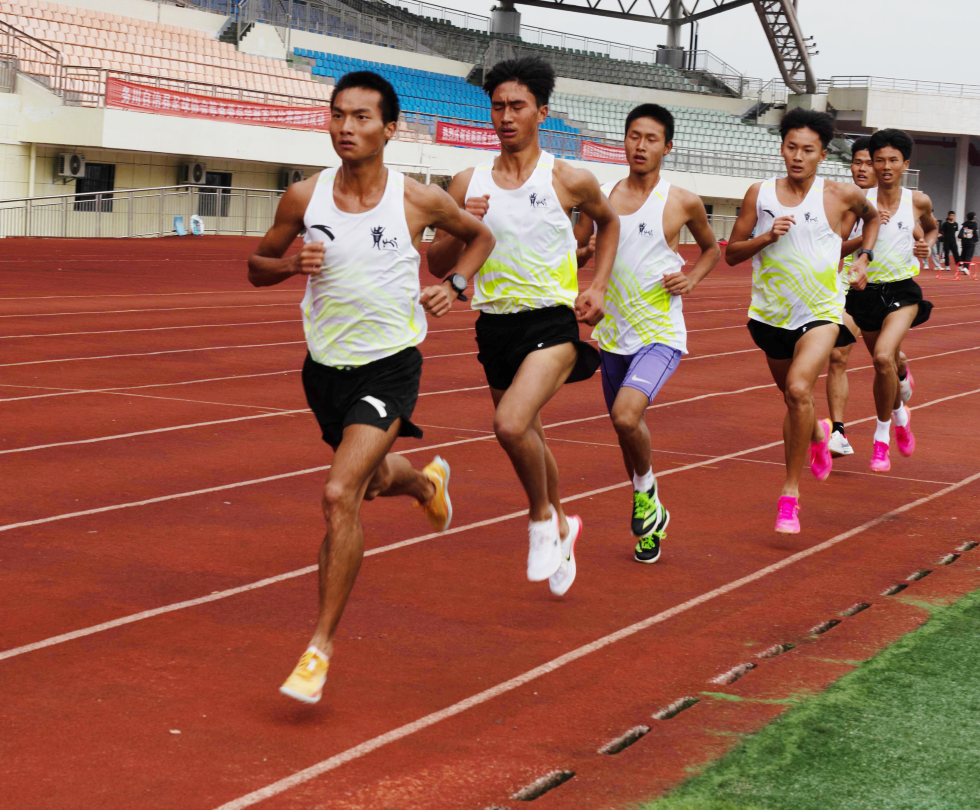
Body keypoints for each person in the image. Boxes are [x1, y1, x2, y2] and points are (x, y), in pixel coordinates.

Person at [250, 70, 496, 705]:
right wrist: (287, 265)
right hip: (323, 369)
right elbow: (255, 266)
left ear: (390, 129)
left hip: (390, 365)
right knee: (374, 479)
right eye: (338, 115)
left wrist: (458, 284)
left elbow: (480, 236)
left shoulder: (418, 199)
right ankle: (423, 482)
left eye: (360, 117)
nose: (345, 127)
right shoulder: (304, 196)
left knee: (339, 495)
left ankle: (319, 648)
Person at [429, 55, 619, 596]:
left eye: (517, 106)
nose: (506, 116)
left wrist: (598, 285)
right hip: (494, 326)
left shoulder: (568, 177)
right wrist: (468, 220)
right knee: (529, 435)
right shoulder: (468, 180)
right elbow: (439, 264)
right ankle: (563, 524)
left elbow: (609, 225)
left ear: (542, 111)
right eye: (497, 106)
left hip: (552, 321)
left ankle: (539, 520)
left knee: (511, 425)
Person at [574, 103, 721, 564]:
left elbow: (712, 249)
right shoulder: (602, 196)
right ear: (624, 140)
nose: (640, 146)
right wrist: (587, 248)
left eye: (651, 138)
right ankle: (649, 511)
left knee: (624, 415)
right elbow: (572, 256)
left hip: (659, 333)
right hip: (613, 334)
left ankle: (646, 492)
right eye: (634, 136)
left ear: (667, 146)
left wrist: (691, 279)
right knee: (627, 430)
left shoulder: (680, 201)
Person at [725, 107, 877, 534]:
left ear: (822, 154)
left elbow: (871, 219)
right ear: (781, 148)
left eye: (807, 149)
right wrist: (765, 237)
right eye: (791, 147)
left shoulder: (840, 195)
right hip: (770, 316)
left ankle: (789, 496)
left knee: (797, 389)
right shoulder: (761, 194)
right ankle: (817, 434)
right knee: (795, 401)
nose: (797, 156)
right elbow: (732, 254)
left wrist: (864, 256)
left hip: (821, 313)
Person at [848, 130, 937, 472]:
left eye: (893, 160)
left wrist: (926, 244)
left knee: (882, 357)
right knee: (888, 361)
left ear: (905, 164)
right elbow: (839, 238)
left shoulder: (918, 201)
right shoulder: (857, 199)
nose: (885, 166)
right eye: (879, 160)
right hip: (865, 292)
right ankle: (901, 414)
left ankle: (881, 439)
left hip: (902, 290)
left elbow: (931, 228)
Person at [824, 140, 879, 459]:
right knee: (838, 356)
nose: (862, 168)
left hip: (879, 290)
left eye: (869, 163)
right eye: (857, 162)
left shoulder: (893, 201)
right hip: (842, 287)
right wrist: (862, 238)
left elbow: (919, 234)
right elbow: (836, 247)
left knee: (886, 358)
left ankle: (900, 374)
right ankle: (838, 432)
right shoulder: (843, 200)